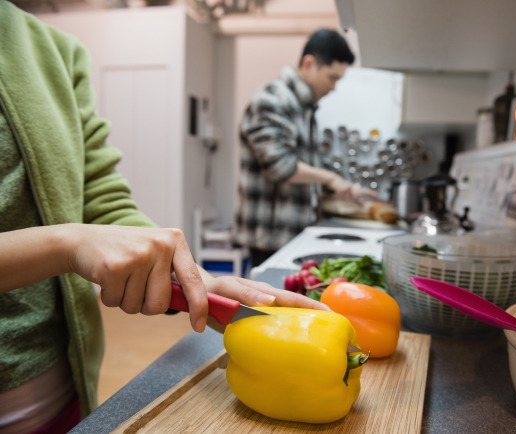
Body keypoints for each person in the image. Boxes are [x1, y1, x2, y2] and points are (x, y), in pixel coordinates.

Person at [0, 3, 327, 433]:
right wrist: (65, 244)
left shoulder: (55, 49)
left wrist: (195, 278)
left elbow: (98, 192)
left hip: (66, 398)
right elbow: (74, 237)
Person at [234, 29, 378, 267]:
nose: (334, 88)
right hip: (270, 237)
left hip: (290, 234)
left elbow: (309, 168)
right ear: (308, 64)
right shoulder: (273, 98)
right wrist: (331, 179)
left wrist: (344, 188)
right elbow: (280, 167)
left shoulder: (305, 109)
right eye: (332, 77)